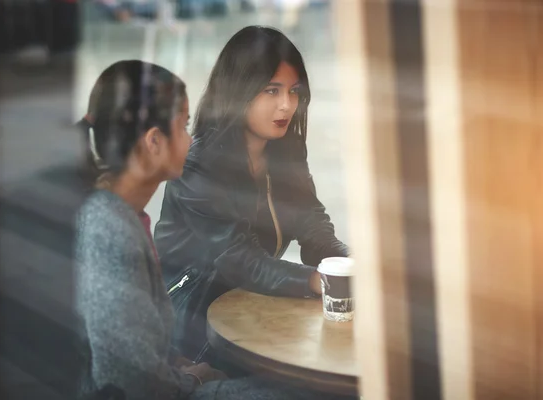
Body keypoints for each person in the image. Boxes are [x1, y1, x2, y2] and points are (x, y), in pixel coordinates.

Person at [74, 60, 352, 400]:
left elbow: (136, 349)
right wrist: (194, 380)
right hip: (188, 351)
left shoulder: (121, 216)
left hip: (177, 371)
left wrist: (179, 368)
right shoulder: (109, 228)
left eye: (293, 92)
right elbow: (128, 378)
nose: (191, 139)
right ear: (154, 142)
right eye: (183, 126)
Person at [154, 26, 350, 365]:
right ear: (238, 91)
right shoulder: (198, 166)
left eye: (293, 91)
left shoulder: (284, 150)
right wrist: (320, 281)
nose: (286, 105)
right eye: (271, 91)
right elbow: (237, 260)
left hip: (250, 302)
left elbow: (311, 221)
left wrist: (347, 266)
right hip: (191, 320)